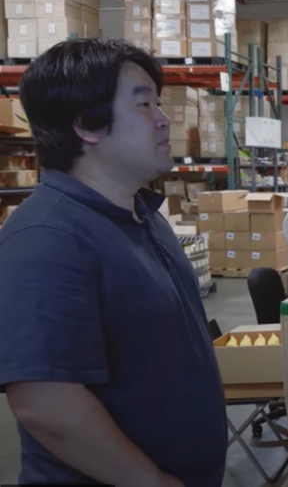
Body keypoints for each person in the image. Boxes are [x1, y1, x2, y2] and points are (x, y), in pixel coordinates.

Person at [0, 39, 227, 486]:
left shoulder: (143, 217)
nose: (163, 119)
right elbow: (45, 404)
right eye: (144, 104)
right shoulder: (48, 237)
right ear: (87, 124)